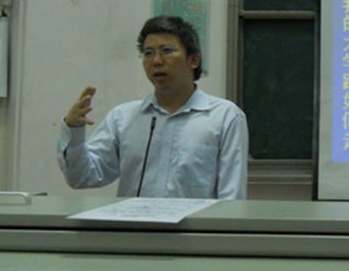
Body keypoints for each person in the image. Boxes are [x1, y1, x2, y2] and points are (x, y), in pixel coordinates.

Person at [57, 15, 248, 199]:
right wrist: (74, 129)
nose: (156, 61)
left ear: (193, 60)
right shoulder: (123, 118)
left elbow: (231, 198)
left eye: (167, 51)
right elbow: (81, 177)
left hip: (195, 223)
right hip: (135, 222)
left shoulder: (225, 117)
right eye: (148, 53)